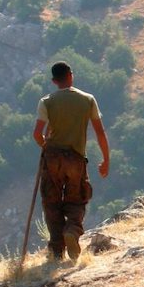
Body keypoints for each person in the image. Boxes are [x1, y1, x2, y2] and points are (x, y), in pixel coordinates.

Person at [32, 61, 110, 260]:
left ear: (53, 81)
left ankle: (57, 250)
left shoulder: (46, 101)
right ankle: (72, 231)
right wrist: (105, 160)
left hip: (52, 158)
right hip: (76, 159)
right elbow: (100, 132)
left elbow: (37, 134)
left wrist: (45, 146)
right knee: (77, 199)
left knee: (52, 202)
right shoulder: (88, 100)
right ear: (71, 75)